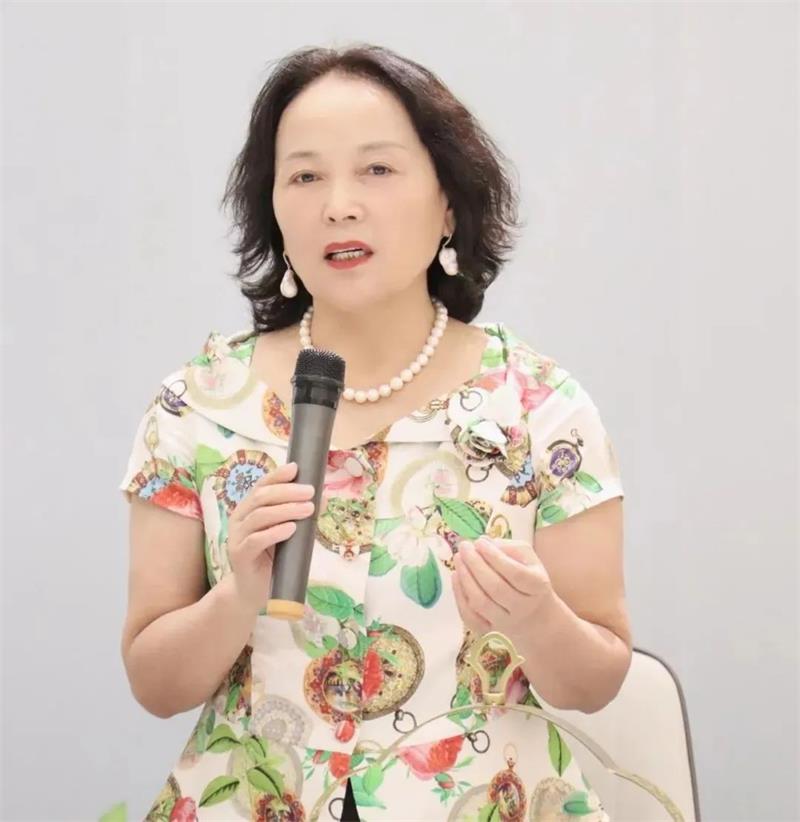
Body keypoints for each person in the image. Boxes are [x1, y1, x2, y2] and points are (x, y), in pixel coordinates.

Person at [118, 43, 632, 822]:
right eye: (305, 176)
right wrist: (237, 595)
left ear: (449, 202)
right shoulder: (198, 407)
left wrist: (536, 619)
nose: (339, 205)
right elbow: (155, 686)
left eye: (378, 169)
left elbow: (596, 683)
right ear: (274, 209)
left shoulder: (540, 410)